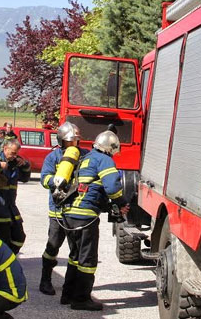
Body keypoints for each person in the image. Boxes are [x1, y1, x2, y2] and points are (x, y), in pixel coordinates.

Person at [58, 130, 128, 311]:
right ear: (111, 148)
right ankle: (81, 299)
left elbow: (91, 188)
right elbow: (112, 187)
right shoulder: (105, 160)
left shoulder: (86, 157)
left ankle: (67, 294)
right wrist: (121, 202)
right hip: (85, 217)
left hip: (69, 214)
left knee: (75, 256)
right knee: (87, 259)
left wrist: (106, 205)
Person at [38, 121, 87, 296]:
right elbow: (44, 178)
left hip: (76, 210)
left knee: (76, 250)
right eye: (69, 141)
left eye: (75, 140)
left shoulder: (85, 155)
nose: (73, 143)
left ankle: (71, 285)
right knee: (52, 247)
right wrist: (57, 182)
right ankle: (45, 280)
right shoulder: (53, 157)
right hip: (58, 211)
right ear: (61, 140)